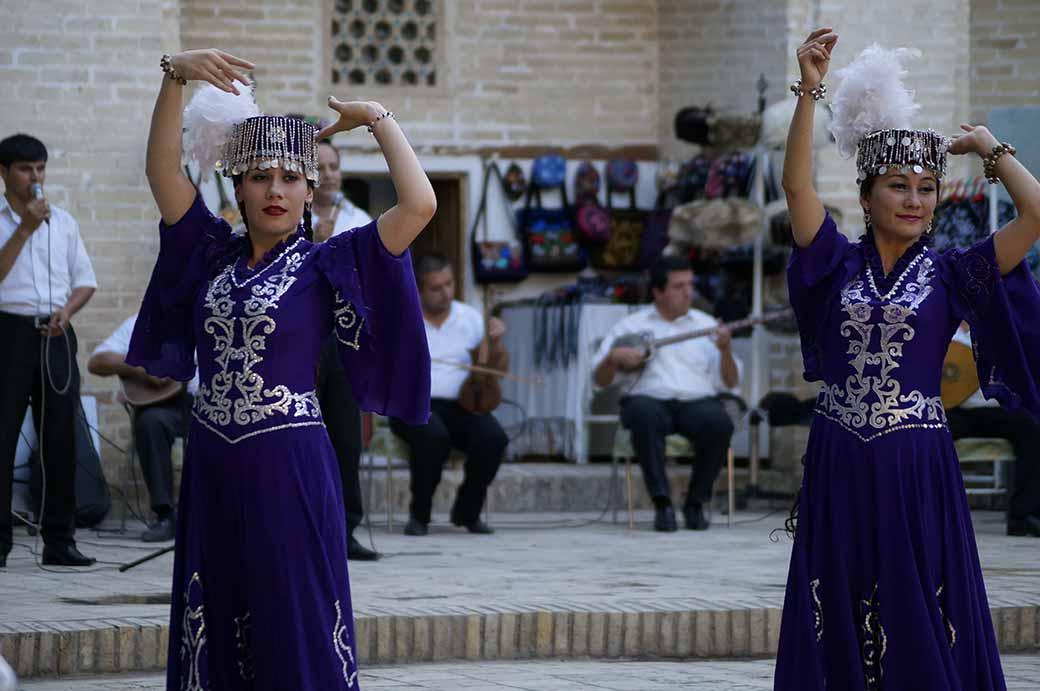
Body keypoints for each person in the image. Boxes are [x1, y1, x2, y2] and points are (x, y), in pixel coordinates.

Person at [126, 49, 434, 689]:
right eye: (260, 176)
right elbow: (161, 170)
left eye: (291, 177)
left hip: (290, 459)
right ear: (237, 186)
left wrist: (378, 119)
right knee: (214, 603)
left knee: (293, 610)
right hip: (212, 457)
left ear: (310, 190)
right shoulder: (210, 252)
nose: (275, 190)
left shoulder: (329, 263)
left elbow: (419, 205)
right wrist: (174, 76)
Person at [775, 31, 1040, 690]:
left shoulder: (954, 273)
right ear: (867, 196)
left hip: (916, 463)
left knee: (918, 602)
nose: (915, 200)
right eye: (898, 186)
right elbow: (795, 185)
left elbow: (1036, 213)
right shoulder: (834, 261)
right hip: (838, 455)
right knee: (835, 600)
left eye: (926, 188)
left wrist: (990, 148)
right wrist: (810, 91)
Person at [0, 133, 97, 568]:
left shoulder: (65, 222)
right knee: (3, 436)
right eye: (25, 169)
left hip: (55, 334)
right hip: (8, 332)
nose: (35, 177)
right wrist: (24, 229)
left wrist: (67, 311)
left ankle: (60, 541)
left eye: (40, 168)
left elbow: (85, 281)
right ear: (4, 173)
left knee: (60, 438)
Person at [592, 255, 739, 532]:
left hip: (696, 401)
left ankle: (695, 503)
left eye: (690, 285)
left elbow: (731, 383)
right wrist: (612, 358)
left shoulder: (707, 325)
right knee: (643, 414)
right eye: (678, 286)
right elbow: (599, 382)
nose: (688, 293)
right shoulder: (630, 326)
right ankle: (662, 503)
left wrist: (726, 350)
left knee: (719, 422)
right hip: (648, 399)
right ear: (657, 292)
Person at [390, 254, 507, 536]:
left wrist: (496, 343)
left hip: (462, 403)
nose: (446, 293)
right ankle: (419, 515)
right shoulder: (403, 319)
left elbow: (496, 369)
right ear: (419, 290)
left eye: (449, 284)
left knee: (494, 438)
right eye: (436, 288)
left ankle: (468, 512)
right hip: (413, 404)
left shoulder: (470, 317)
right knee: (433, 437)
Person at [309, 136, 380, 560]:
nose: (329, 175)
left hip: (342, 338)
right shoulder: (288, 213)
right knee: (301, 437)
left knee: (346, 438)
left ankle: (346, 529)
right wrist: (312, 245)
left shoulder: (357, 219)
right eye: (320, 167)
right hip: (298, 335)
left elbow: (370, 278)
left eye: (334, 166)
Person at [87, 313, 197, 542]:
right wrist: (142, 367)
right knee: (149, 422)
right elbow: (97, 362)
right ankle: (165, 515)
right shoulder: (140, 323)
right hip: (168, 406)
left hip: (213, 403)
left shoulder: (213, 317)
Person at [946, 323, 1040, 537]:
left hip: (996, 411)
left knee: (1033, 431)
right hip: (954, 410)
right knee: (927, 434)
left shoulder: (997, 328)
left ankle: (1023, 516)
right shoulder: (944, 329)